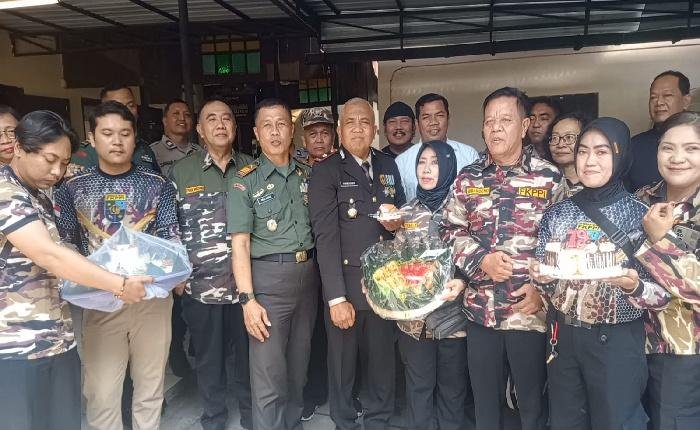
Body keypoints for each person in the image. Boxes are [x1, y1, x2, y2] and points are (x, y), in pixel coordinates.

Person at [0, 110, 152, 430]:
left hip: (56, 339)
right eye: (49, 159)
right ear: (19, 148)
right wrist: (118, 284)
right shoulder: (5, 191)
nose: (57, 171)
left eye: (64, 162)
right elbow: (49, 255)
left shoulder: (38, 194)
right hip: (16, 348)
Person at [531, 117, 670, 430]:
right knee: (566, 422)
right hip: (563, 337)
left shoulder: (641, 215)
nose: (590, 160)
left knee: (616, 422)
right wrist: (541, 277)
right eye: (583, 151)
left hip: (618, 341)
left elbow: (663, 294)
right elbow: (547, 276)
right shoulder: (557, 212)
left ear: (621, 155)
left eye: (602, 151)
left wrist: (634, 287)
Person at [441, 87, 564, 430]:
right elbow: (449, 230)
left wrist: (542, 292)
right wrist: (481, 260)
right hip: (481, 312)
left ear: (524, 126)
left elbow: (564, 244)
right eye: (489, 121)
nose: (495, 127)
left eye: (505, 120)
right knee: (486, 406)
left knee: (531, 405)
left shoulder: (549, 177)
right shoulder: (468, 177)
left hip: (529, 313)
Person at [54, 101, 180, 430]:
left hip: (151, 299)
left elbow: (171, 239)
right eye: (107, 133)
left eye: (125, 133)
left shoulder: (158, 185)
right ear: (92, 138)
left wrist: (165, 276)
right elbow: (67, 244)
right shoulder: (71, 188)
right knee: (101, 391)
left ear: (135, 137)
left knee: (150, 388)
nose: (117, 141)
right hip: (100, 301)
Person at [309, 97, 406, 430]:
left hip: (385, 285)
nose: (357, 128)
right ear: (339, 129)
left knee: (382, 362)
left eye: (364, 122)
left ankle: (379, 420)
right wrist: (336, 298)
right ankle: (345, 422)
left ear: (375, 129)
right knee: (342, 366)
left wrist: (398, 222)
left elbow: (400, 215)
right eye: (350, 122)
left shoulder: (387, 165)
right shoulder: (326, 171)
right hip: (347, 288)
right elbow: (325, 238)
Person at [228, 98, 319, 430]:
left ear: (291, 129)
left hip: (308, 279)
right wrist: (248, 300)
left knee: (298, 368)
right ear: (256, 133)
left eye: (281, 124)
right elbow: (240, 244)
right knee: (269, 376)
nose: (275, 131)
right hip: (268, 282)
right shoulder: (245, 180)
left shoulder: (308, 174)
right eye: (267, 125)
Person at [169, 98, 254, 430]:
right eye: (212, 119)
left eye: (227, 118)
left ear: (235, 126)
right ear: (200, 130)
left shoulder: (252, 168)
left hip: (247, 289)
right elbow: (169, 228)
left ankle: (251, 417)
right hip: (202, 289)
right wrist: (178, 278)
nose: (220, 124)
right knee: (209, 362)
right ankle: (214, 419)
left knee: (250, 360)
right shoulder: (182, 172)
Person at [395, 141, 468, 430]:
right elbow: (397, 259)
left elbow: (472, 257)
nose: (426, 169)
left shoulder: (462, 208)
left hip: (453, 319)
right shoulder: (407, 212)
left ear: (449, 166)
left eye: (435, 163)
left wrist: (462, 281)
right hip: (415, 322)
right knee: (419, 389)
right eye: (422, 162)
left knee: (453, 390)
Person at [634, 111, 700, 429]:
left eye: (691, 149)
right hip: (630, 343)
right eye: (667, 148)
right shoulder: (640, 199)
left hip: (684, 351)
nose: (677, 158)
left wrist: (660, 240)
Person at [297, 106, 335, 421]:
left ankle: (344, 392)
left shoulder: (343, 166)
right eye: (313, 134)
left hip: (336, 260)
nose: (319, 139)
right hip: (306, 262)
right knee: (309, 332)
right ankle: (312, 391)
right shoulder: (293, 171)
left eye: (325, 132)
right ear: (303, 139)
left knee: (339, 329)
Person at [395, 93, 479, 201]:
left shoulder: (469, 155)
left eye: (439, 116)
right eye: (426, 117)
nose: (433, 122)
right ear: (417, 124)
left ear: (448, 119)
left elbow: (477, 199)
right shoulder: (402, 162)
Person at [67, 83, 160, 176]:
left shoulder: (144, 148)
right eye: (118, 106)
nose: (126, 111)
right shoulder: (85, 154)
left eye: (131, 105)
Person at [626, 70, 691, 192]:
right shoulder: (634, 145)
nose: (659, 102)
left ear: (686, 101)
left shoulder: (696, 140)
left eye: (667, 95)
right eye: (653, 97)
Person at [544, 112, 590, 197]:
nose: (560, 145)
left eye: (569, 137)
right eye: (555, 138)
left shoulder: (596, 182)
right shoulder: (541, 180)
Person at [151, 98, 199, 177]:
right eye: (176, 113)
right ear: (165, 121)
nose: (182, 118)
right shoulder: (153, 152)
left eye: (187, 115)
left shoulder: (200, 151)